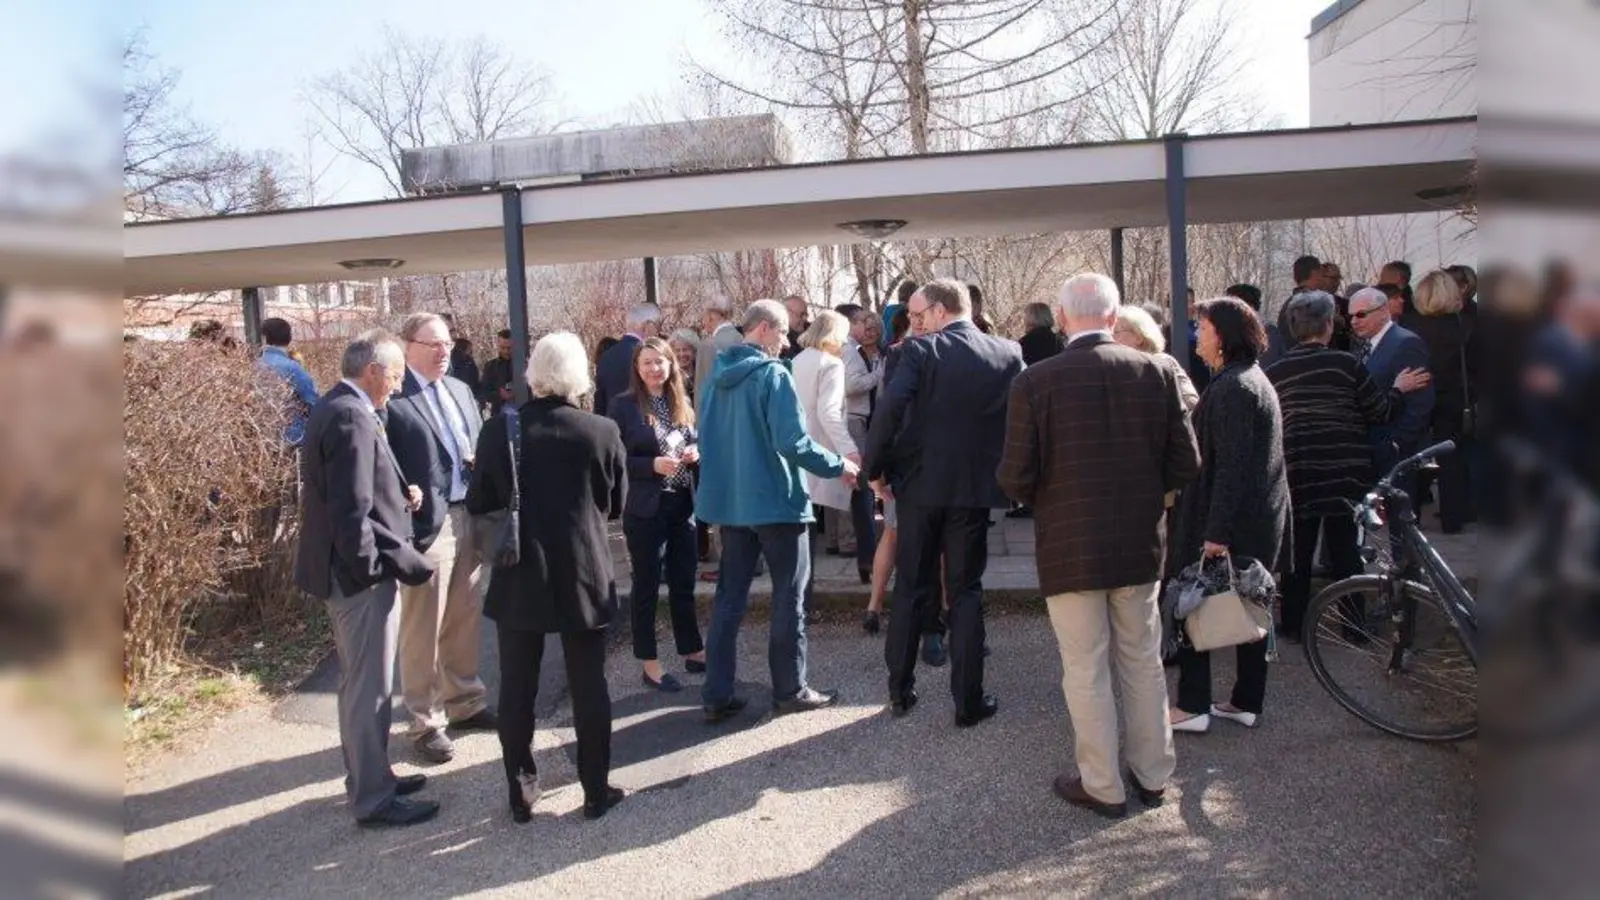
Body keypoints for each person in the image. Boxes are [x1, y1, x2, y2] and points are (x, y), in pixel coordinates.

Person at [997, 272, 1200, 819]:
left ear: (1063, 319)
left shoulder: (1036, 381)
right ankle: (1154, 775)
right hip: (1138, 542)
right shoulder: (1157, 371)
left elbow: (1014, 476)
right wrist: (1146, 491)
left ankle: (1103, 784)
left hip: (1070, 544)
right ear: (1114, 317)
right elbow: (1186, 461)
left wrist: (1055, 496)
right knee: (1143, 661)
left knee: (1085, 667)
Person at [468, 332, 628, 822]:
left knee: (517, 687)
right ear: (581, 374)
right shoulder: (601, 430)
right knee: (589, 684)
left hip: (520, 568)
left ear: (532, 373)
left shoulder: (499, 431)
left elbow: (479, 501)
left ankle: (520, 790)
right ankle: (595, 790)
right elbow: (615, 504)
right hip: (583, 568)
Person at [865, 278, 1024, 727]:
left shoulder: (918, 352)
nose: (914, 323)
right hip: (974, 488)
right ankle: (967, 701)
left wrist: (874, 469)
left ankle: (900, 690)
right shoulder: (1008, 353)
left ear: (940, 310)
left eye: (919, 315)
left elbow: (889, 411)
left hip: (919, 486)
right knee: (966, 590)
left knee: (912, 585)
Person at [294, 332, 438, 828]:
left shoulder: (339, 405)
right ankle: (374, 798)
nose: (398, 386)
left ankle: (372, 776)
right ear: (373, 371)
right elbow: (350, 510)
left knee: (362, 684)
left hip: (347, 572)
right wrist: (371, 571)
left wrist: (400, 494)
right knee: (368, 689)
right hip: (357, 579)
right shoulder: (351, 415)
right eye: (395, 375)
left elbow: (361, 489)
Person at [695, 300, 858, 722]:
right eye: (783, 332)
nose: (787, 342)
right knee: (790, 598)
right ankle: (789, 689)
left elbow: (706, 438)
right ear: (764, 328)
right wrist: (839, 465)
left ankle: (716, 693)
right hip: (778, 503)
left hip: (734, 506)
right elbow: (792, 442)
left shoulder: (715, 379)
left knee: (729, 599)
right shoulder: (773, 375)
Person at [1266, 292, 1431, 639]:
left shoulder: (1276, 372)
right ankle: (1353, 627)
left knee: (1298, 551)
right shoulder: (1346, 365)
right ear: (1328, 325)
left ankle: (1293, 624)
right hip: (1345, 468)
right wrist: (1398, 389)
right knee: (1345, 550)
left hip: (1299, 468)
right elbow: (1379, 412)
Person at [1168, 297, 1290, 735]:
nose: (1197, 337)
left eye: (1202, 329)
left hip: (1229, 521)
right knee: (1249, 606)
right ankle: (1244, 701)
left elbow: (1232, 466)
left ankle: (1193, 705)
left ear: (1222, 336)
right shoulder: (1248, 379)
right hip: (1254, 518)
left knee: (1193, 602)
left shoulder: (1236, 387)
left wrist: (1215, 532)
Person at [384, 312, 494, 764]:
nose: (443, 351)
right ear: (408, 346)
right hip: (428, 523)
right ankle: (425, 721)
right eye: (433, 344)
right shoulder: (395, 398)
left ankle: (464, 701)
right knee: (423, 625)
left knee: (465, 613)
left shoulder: (460, 390)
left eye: (447, 343)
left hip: (469, 513)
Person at [607, 337, 706, 692]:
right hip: (646, 507)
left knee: (683, 581)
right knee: (647, 586)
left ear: (670, 365)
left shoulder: (681, 401)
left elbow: (692, 439)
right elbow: (615, 459)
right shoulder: (623, 406)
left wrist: (695, 452)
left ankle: (692, 649)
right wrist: (650, 465)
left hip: (682, 503)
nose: (654, 368)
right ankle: (649, 663)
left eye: (660, 361)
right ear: (637, 368)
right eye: (647, 362)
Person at [792, 311, 865, 617]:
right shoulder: (831, 364)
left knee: (801, 536)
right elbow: (829, 413)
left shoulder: (797, 360)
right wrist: (850, 451)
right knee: (807, 535)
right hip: (821, 450)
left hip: (796, 449)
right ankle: (803, 607)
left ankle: (798, 605)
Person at [1348, 286, 1436, 492]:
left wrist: (1397, 443)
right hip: (1370, 450)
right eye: (1351, 316)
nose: (1354, 321)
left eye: (1361, 314)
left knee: (1399, 507)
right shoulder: (1364, 345)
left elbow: (1420, 402)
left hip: (1396, 454)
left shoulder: (1406, 343)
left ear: (1383, 311)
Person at [1408, 270, 1473, 533]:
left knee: (1415, 455)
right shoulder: (1464, 325)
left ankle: (1410, 515)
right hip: (1453, 396)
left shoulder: (1410, 326)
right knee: (1451, 458)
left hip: (1418, 394)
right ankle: (1452, 518)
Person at [842, 311, 884, 586]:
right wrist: (878, 374)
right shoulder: (850, 352)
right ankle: (865, 557)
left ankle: (865, 556)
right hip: (856, 420)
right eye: (865, 327)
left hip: (868, 419)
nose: (869, 333)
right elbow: (852, 385)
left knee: (862, 488)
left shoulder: (872, 353)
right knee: (862, 488)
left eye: (874, 329)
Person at [257, 317, 319, 447]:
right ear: (289, 337)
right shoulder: (292, 367)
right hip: (293, 437)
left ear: (265, 338)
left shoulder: (255, 366)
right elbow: (313, 401)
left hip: (262, 437)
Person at [595, 305, 661, 419]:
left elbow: (600, 402)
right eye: (657, 326)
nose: (658, 332)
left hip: (611, 424)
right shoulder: (648, 357)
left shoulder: (606, 356)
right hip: (643, 423)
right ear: (647, 326)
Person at [695, 297, 742, 411]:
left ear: (711, 316)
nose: (702, 321)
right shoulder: (744, 340)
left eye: (703, 316)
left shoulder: (708, 346)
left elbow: (703, 392)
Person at [479, 329, 517, 417]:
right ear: (498, 345)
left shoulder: (525, 364)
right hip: (500, 414)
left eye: (509, 348)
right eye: (502, 348)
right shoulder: (490, 366)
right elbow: (484, 392)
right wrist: (500, 395)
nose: (506, 351)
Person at [1018, 301, 1064, 366]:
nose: (1024, 320)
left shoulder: (1025, 343)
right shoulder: (1058, 341)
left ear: (1030, 318)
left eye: (1025, 316)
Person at [668, 329, 700, 402]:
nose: (682, 354)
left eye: (685, 350)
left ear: (694, 351)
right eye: (677, 350)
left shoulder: (703, 371)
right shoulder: (669, 376)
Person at [781, 294, 811, 360]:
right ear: (787, 313)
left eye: (806, 314)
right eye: (801, 314)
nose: (805, 318)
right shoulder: (775, 338)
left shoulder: (813, 335)